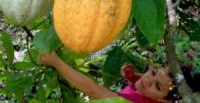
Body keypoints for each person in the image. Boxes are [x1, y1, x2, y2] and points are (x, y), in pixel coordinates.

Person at [38, 51, 180, 103]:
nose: (149, 79)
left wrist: (55, 62)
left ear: (164, 101)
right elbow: (149, 83)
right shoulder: (150, 95)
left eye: (158, 86)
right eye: (154, 72)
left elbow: (92, 90)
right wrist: (132, 77)